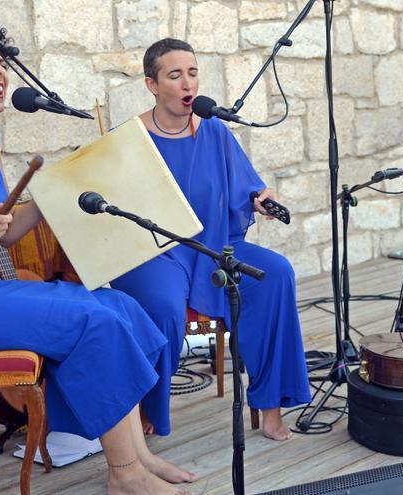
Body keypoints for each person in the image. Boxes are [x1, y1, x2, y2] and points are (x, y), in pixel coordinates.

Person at [0, 16, 196, 494]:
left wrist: (62, 189)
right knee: (97, 322)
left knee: (120, 305)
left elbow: (5, 235)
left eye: (1, 64)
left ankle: (139, 453)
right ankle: (124, 474)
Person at [110, 39, 312, 442]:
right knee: (164, 305)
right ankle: (149, 409)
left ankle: (269, 405)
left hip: (214, 247)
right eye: (174, 75)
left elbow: (250, 188)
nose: (188, 83)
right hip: (158, 253)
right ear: (152, 84)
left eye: (193, 72)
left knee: (276, 274)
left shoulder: (215, 131)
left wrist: (262, 201)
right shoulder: (129, 138)